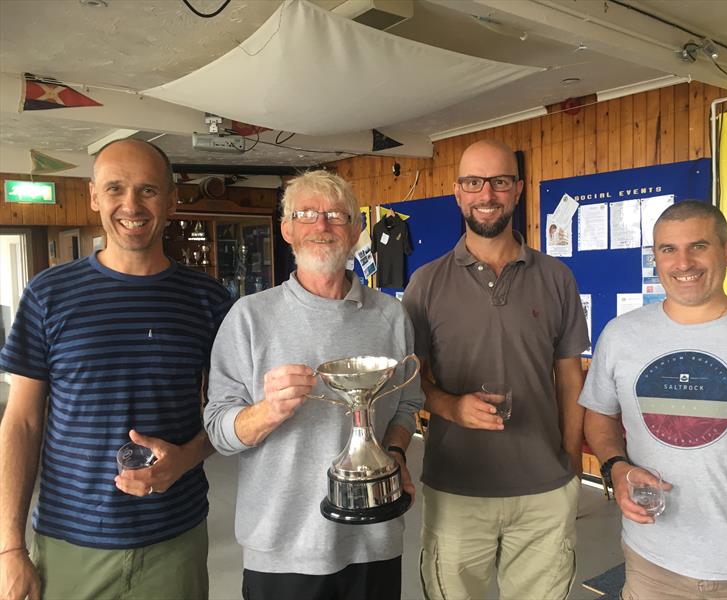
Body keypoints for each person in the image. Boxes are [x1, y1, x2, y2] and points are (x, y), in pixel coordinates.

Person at [0, 139, 231, 600]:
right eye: (115, 189)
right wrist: (9, 548)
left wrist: (182, 460)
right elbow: (22, 421)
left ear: (171, 198)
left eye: (147, 190)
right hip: (69, 541)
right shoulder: (49, 294)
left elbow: (231, 415)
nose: (131, 205)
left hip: (175, 538)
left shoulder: (209, 300)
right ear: (92, 196)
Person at [204, 170, 423, 600]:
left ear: (356, 230)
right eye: (306, 214)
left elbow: (406, 404)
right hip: (281, 547)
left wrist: (394, 453)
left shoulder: (391, 317)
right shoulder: (248, 318)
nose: (321, 226)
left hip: (374, 540)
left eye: (336, 216)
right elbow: (218, 429)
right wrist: (268, 410)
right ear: (287, 229)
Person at [580, 201, 727, 599]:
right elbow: (599, 416)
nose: (683, 262)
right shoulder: (620, 335)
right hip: (652, 564)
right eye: (668, 249)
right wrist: (615, 467)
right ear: (655, 257)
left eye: (698, 246)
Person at [402, 139, 589, 599]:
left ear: (518, 189)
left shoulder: (556, 277)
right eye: (473, 182)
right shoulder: (425, 283)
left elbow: (571, 376)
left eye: (500, 181)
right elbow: (411, 382)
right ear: (457, 191)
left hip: (544, 493)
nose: (487, 194)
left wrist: (567, 460)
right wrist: (452, 408)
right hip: (457, 491)